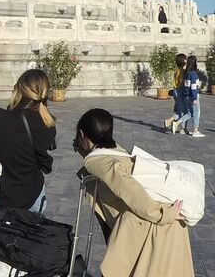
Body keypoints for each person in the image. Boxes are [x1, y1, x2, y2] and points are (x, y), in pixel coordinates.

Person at [75, 108, 193, 277]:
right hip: (162, 225)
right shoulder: (117, 151)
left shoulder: (100, 162)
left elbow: (131, 190)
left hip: (153, 226)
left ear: (81, 134)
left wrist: (162, 214)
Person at [0, 69, 57, 216]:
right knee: (30, 238)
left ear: (19, 89)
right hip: (31, 195)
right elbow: (45, 164)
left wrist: (13, 104)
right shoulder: (47, 124)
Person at [173, 56, 204, 138]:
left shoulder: (187, 73)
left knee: (190, 113)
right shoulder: (193, 74)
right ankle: (195, 130)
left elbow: (186, 86)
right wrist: (194, 98)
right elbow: (193, 88)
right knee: (196, 113)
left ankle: (177, 123)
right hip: (193, 96)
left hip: (187, 96)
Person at [165, 53, 189, 134]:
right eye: (185, 59)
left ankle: (169, 121)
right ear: (183, 61)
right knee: (184, 111)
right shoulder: (182, 71)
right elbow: (182, 82)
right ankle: (182, 128)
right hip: (180, 91)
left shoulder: (177, 70)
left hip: (175, 91)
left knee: (179, 110)